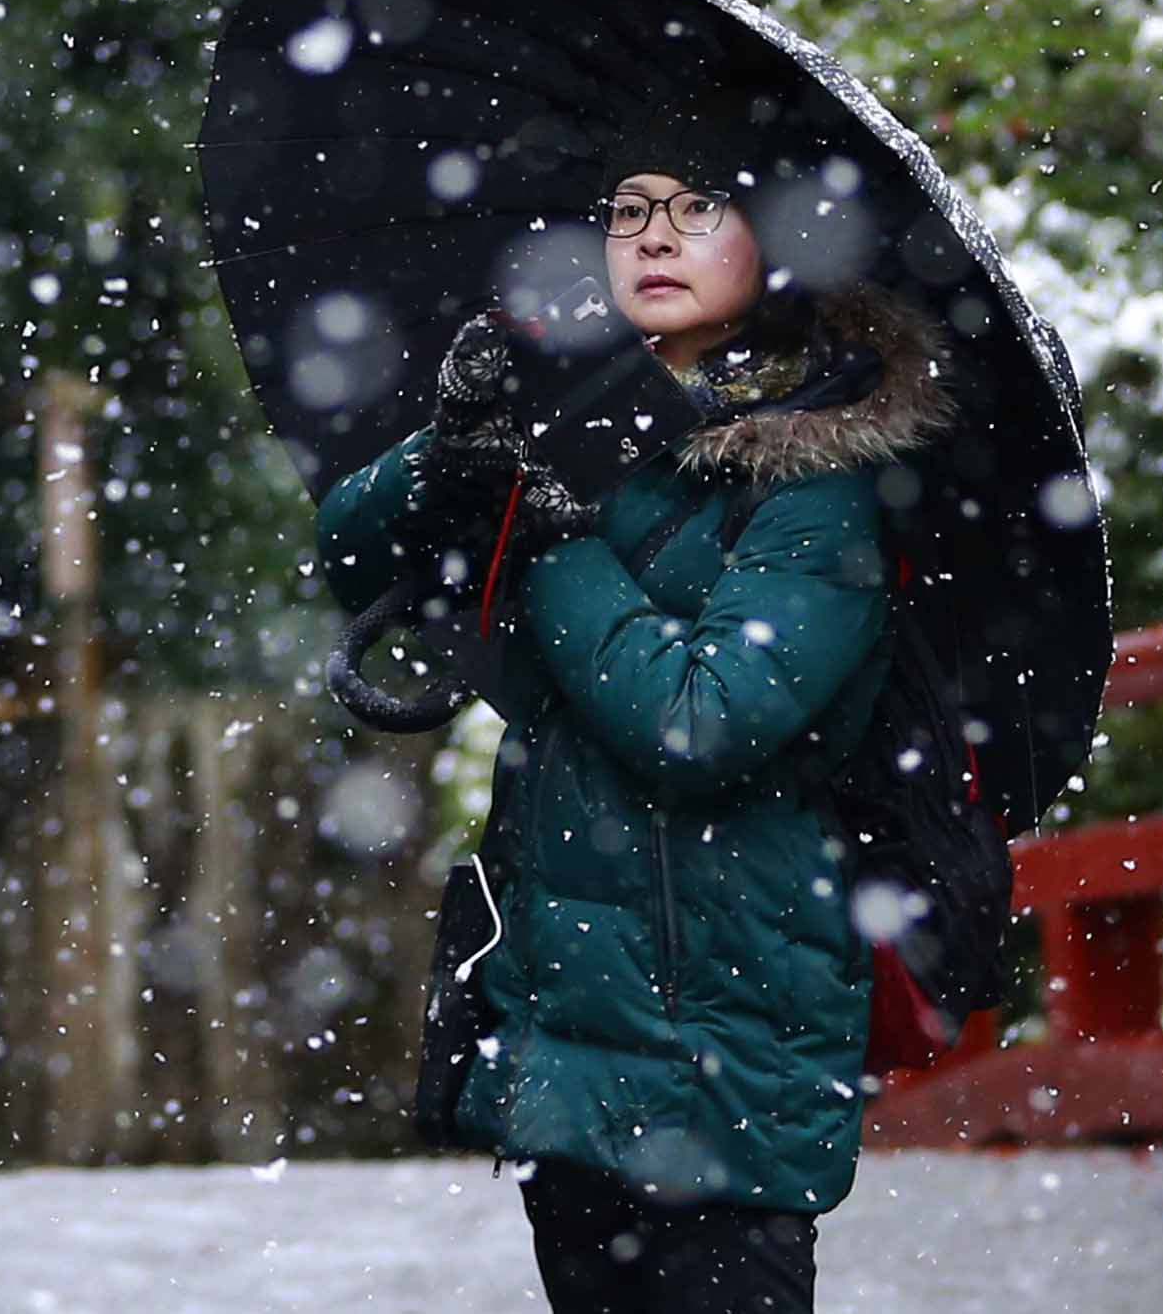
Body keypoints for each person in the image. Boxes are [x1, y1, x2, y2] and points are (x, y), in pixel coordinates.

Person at [314, 141, 949, 1314]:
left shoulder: (817, 478)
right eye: (626, 210)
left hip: (728, 1042)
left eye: (699, 204)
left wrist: (554, 549)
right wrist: (450, 451)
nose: (651, 236)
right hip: (567, 1036)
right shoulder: (562, 412)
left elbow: (696, 718)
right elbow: (348, 554)